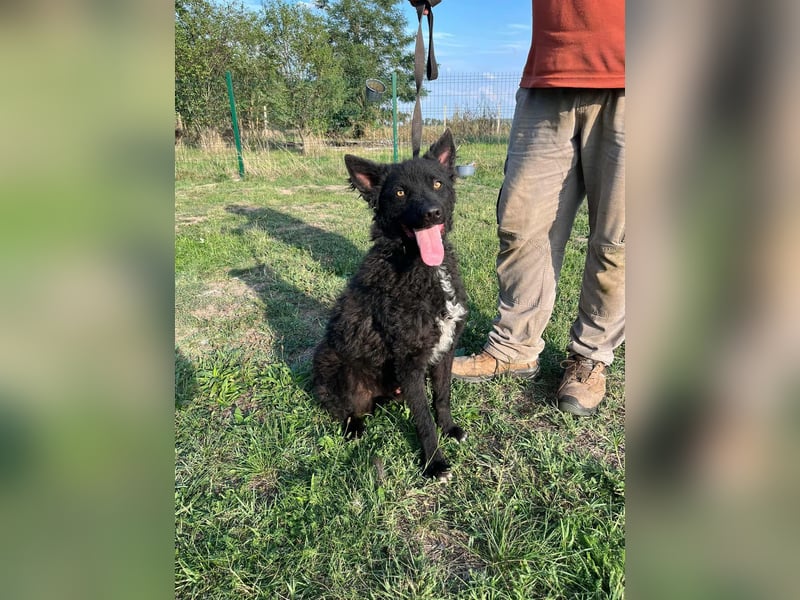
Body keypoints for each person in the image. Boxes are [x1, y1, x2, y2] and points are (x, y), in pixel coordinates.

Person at [451, 0, 625, 416]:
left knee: (619, 239)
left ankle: (590, 357)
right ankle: (514, 347)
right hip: (549, 75)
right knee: (521, 225)